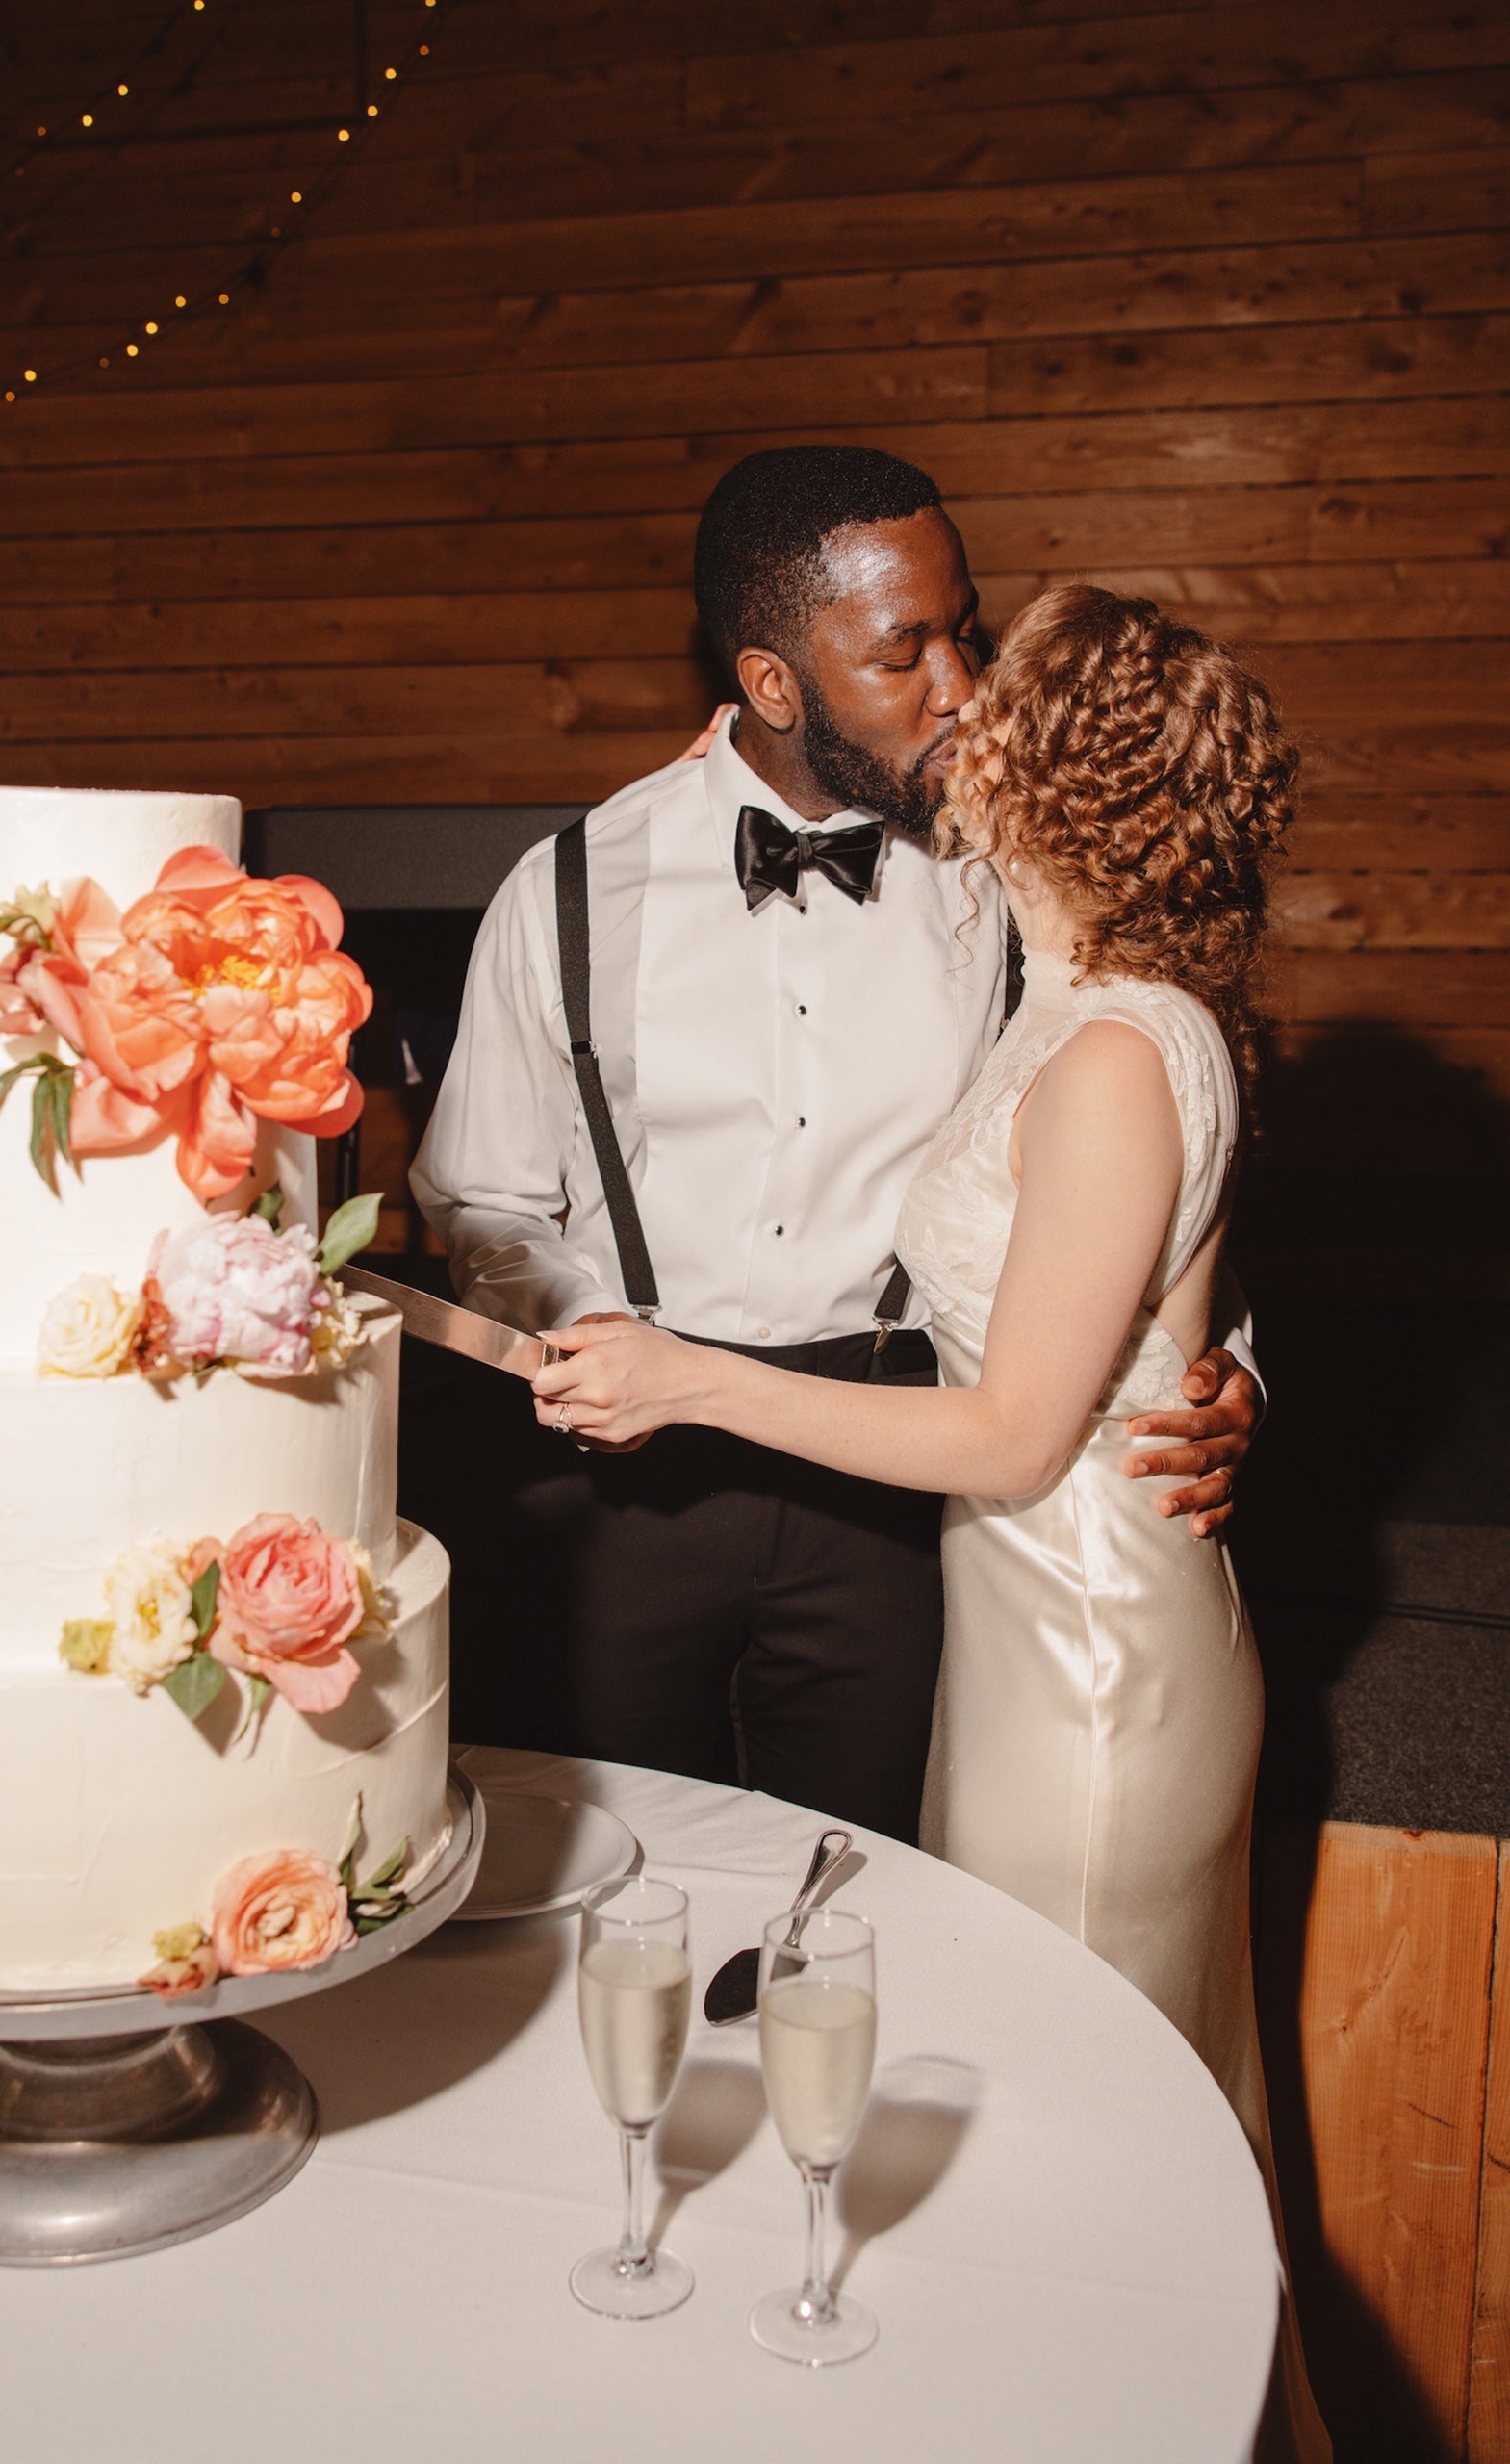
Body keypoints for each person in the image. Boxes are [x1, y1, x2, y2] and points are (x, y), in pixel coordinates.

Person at [529, 581, 1327, 2461]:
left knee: (1080, 2168)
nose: (952, 701)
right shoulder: (1068, 990)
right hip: (1039, 1630)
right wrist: (1210, 1374)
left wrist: (687, 1375)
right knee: (1120, 2135)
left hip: (1088, 1670)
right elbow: (1140, 1304)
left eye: (997, 683)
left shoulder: (1122, 1041)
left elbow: (1019, 1419)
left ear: (1058, 769)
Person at [411, 447, 1259, 1843]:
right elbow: (484, 1199)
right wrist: (584, 1331)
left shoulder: (1003, 880)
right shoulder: (568, 888)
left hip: (905, 1482)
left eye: (965, 630)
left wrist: (1221, 1375)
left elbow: (1139, 1139)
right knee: (605, 1873)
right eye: (902, 651)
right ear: (771, 686)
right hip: (621, 1492)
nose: (963, 688)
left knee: (874, 1887)